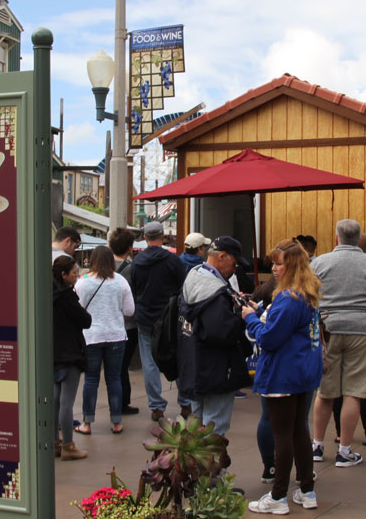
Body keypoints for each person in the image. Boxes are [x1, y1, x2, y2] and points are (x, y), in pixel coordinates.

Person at [243, 239, 322, 514]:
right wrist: (263, 312)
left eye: (278, 264)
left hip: (283, 373)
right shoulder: (306, 293)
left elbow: (269, 338)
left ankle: (278, 497)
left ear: (291, 266)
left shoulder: (288, 298)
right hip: (303, 371)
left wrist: (250, 318)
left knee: (282, 435)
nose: (273, 269)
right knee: (299, 429)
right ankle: (306, 489)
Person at [312, 219, 366, 467]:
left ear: (336, 236)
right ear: (360, 239)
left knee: (325, 391)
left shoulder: (319, 263)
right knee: (354, 391)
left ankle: (317, 445)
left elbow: (308, 295)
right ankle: (345, 450)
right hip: (364, 329)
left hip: (328, 328)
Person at [176, 236, 252, 435]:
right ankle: (214, 467)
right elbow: (222, 332)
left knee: (196, 424)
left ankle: (196, 466)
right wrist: (242, 316)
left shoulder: (194, 276)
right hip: (215, 369)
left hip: (193, 364)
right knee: (214, 428)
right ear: (222, 256)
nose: (234, 269)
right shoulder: (214, 291)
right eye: (234, 263)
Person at [128, 220, 189, 421]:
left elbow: (134, 290)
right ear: (163, 236)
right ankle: (186, 403)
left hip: (145, 317)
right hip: (170, 317)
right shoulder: (173, 260)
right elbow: (184, 288)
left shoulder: (137, 262)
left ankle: (156, 406)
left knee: (149, 362)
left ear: (145, 238)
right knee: (179, 357)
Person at [75, 246, 134, 435]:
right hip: (116, 335)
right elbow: (129, 311)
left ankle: (87, 423)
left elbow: (77, 309)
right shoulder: (121, 281)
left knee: (91, 380)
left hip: (91, 336)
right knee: (114, 379)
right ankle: (116, 422)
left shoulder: (83, 283)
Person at [53, 255, 91, 460]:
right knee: (67, 402)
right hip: (70, 354)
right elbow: (86, 321)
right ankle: (68, 445)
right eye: (74, 273)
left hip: (52, 354)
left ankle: (55, 442)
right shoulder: (67, 298)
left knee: (54, 401)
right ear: (64, 274)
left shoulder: (46, 295)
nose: (77, 276)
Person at [108, 227, 140, 415]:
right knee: (122, 366)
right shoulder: (130, 269)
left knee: (111, 368)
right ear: (129, 247)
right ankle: (121, 402)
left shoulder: (101, 266)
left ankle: (117, 402)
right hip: (127, 324)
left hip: (105, 323)